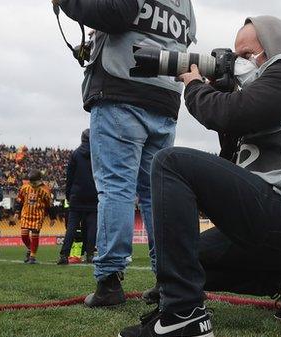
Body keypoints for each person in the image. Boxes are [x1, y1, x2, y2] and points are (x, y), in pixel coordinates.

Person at [117, 16, 281, 337]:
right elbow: (233, 160)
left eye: (246, 54)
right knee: (186, 260)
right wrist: (221, 95)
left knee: (171, 163)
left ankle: (184, 316)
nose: (236, 62)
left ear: (272, 48)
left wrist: (195, 85)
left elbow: (228, 113)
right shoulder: (279, 88)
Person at [52, 0, 198, 308]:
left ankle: (109, 280)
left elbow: (116, 12)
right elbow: (182, 38)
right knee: (154, 194)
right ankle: (166, 280)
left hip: (122, 90)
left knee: (116, 186)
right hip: (166, 98)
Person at [58, 129, 98, 265]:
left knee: (72, 226)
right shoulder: (97, 154)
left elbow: (69, 177)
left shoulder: (75, 154)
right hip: (93, 195)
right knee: (92, 226)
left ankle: (64, 255)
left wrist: (69, 195)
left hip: (77, 196)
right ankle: (90, 255)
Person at [14, 170, 55, 264]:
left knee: (35, 236)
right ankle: (30, 248)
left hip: (38, 216)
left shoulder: (45, 190)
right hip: (25, 214)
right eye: (30, 182)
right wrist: (17, 212)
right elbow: (20, 200)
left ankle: (32, 256)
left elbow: (50, 205)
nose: (32, 184)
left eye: (34, 182)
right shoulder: (24, 187)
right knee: (24, 235)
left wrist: (52, 218)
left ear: (40, 180)